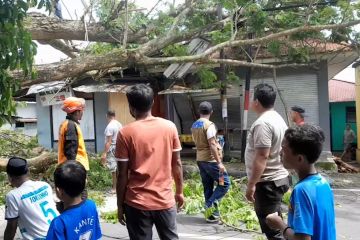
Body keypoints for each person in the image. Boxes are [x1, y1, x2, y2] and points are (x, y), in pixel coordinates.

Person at [115, 84, 184, 239]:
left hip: (136, 203)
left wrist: (120, 205)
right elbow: (177, 164)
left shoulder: (125, 133)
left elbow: (122, 175)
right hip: (164, 201)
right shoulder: (169, 127)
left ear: (130, 107)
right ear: (152, 102)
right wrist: (179, 191)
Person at [266, 124, 336, 240]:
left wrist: (279, 224)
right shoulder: (324, 183)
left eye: (284, 149)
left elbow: (302, 238)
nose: (280, 153)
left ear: (299, 159)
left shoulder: (301, 190)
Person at [245, 83, 289, 240]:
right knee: (277, 223)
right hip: (277, 178)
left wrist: (251, 185)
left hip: (267, 182)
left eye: (252, 100)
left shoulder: (263, 123)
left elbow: (262, 156)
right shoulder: (278, 118)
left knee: (273, 230)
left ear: (256, 101)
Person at [191, 101, 230, 223]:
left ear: (199, 112)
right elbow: (212, 144)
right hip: (211, 161)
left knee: (208, 186)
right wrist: (219, 163)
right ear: (211, 112)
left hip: (200, 160)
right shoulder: (209, 125)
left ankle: (211, 216)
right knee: (224, 183)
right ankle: (210, 205)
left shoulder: (194, 125)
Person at [4, 157, 59, 240]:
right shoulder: (44, 185)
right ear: (28, 172)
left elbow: (11, 226)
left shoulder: (13, 196)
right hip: (59, 232)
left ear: (10, 177)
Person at [46, 161, 102, 240]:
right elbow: (97, 236)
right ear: (85, 183)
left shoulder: (58, 223)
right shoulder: (91, 206)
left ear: (59, 191)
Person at [58, 96, 89, 171]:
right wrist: (73, 172)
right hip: (74, 169)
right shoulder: (71, 125)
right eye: (81, 110)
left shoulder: (66, 124)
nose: (82, 112)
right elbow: (71, 151)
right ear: (77, 111)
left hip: (69, 167)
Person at [101, 110, 122, 193]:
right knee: (119, 168)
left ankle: (114, 188)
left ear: (107, 115)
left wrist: (104, 153)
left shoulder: (110, 126)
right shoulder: (119, 124)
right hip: (119, 147)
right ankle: (119, 187)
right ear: (114, 115)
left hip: (112, 148)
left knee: (113, 169)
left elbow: (108, 141)